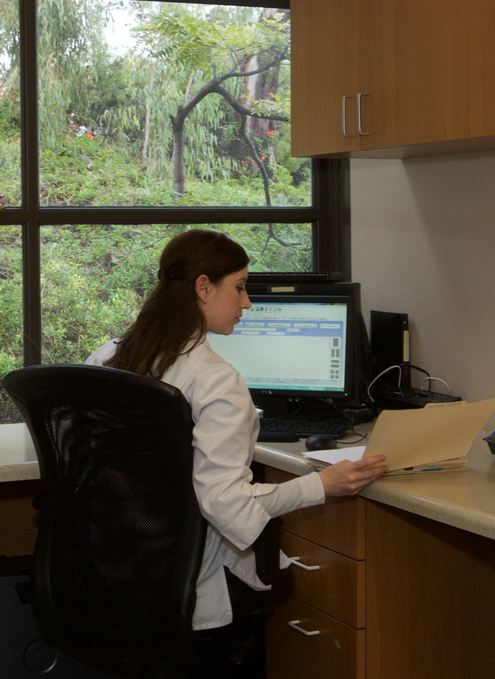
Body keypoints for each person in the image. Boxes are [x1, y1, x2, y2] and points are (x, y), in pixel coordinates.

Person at [86, 229, 387, 678]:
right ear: (203, 288)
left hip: (117, 571)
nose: (247, 303)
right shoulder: (216, 381)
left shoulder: (107, 357)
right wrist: (321, 485)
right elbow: (225, 503)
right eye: (241, 287)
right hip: (190, 589)